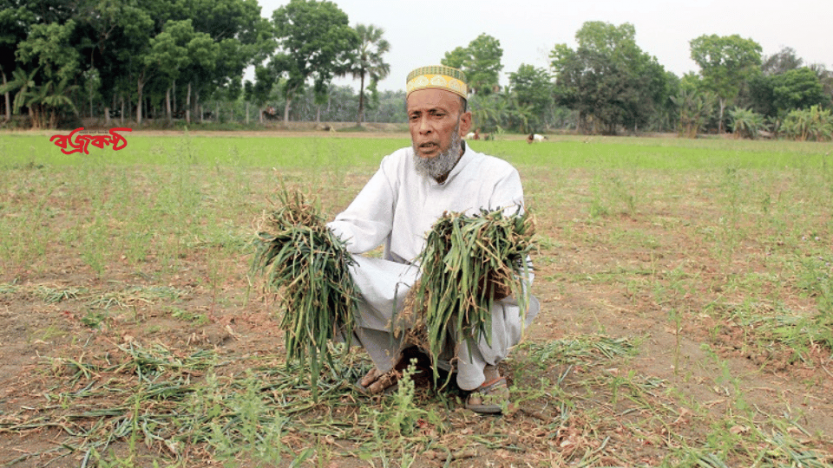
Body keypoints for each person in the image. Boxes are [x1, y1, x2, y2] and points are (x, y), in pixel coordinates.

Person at [327, 65, 539, 414]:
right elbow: (356, 225)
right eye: (415, 117)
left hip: (469, 304)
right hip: (410, 295)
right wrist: (311, 243)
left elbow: (514, 270)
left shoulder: (497, 176)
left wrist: (470, 273)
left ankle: (480, 372)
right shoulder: (397, 166)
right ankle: (411, 357)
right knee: (339, 267)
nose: (423, 127)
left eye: (437, 115)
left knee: (472, 283)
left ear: (464, 123)